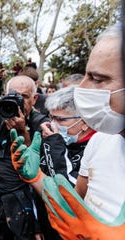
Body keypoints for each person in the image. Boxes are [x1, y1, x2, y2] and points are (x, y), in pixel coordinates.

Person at [10, 23, 125, 239]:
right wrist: (36, 177)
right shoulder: (101, 141)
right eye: (85, 76)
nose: (81, 87)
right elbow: (73, 201)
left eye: (97, 79)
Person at [0, 75, 48, 240]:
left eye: (24, 97)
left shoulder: (41, 124)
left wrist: (22, 131)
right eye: (13, 95)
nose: (18, 101)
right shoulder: (0, 115)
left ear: (34, 99)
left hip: (21, 202)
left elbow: (32, 165)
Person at [37, 85, 96, 239]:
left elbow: (70, 191)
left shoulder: (98, 147)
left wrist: (54, 146)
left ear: (84, 122)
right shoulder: (58, 140)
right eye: (51, 117)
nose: (53, 124)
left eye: (60, 119)